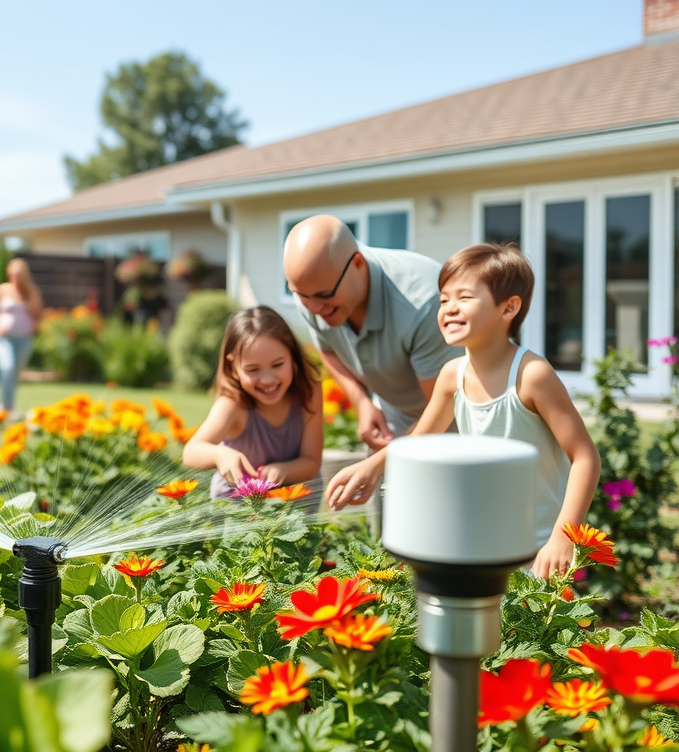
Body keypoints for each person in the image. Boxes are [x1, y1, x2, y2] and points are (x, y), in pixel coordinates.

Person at [326, 243, 601, 578]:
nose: (449, 309)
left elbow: (585, 457)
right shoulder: (451, 376)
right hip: (484, 545)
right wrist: (371, 467)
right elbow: (419, 440)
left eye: (465, 298)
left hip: (539, 549)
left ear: (508, 308)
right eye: (443, 300)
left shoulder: (532, 376)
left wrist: (563, 537)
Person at [283, 215, 461, 451]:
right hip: (395, 415)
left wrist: (383, 461)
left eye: (323, 295)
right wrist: (361, 402)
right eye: (301, 295)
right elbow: (328, 349)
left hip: (456, 423)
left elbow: (443, 408)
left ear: (358, 263)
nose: (313, 309)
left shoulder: (422, 304)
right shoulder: (311, 290)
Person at [183, 306, 324, 507]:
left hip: (297, 508)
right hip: (238, 510)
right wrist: (219, 453)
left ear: (293, 356)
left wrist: (283, 470)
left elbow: (311, 462)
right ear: (233, 367)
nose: (267, 380)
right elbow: (191, 452)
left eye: (277, 365)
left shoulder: (309, 393)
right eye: (252, 369)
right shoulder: (232, 405)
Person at [0, 258, 42, 414]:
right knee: (7, 367)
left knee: (15, 373)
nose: (15, 278)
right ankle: (4, 405)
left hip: (24, 339)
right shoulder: (2, 290)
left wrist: (31, 327)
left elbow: (38, 316)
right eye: (12, 274)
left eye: (19, 275)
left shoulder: (32, 292)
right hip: (4, 338)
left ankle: (10, 406)